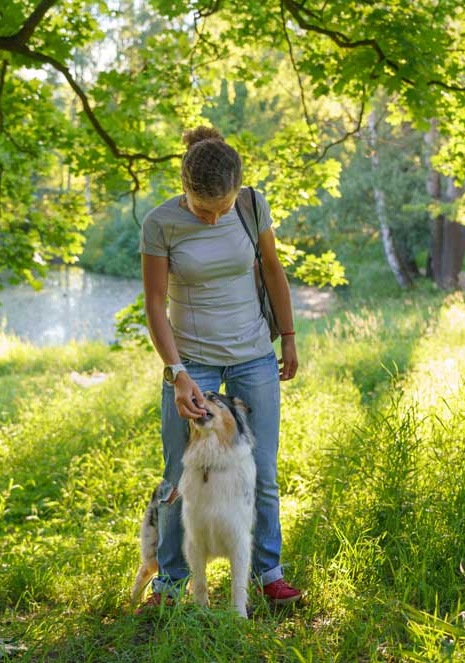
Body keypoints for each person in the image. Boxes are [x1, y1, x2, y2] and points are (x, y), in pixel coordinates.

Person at [140, 125, 300, 608]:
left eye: (223, 209)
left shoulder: (252, 205)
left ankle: (267, 571)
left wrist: (289, 336)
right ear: (184, 190)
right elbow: (152, 301)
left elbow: (273, 269)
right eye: (203, 210)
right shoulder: (160, 222)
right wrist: (177, 371)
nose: (214, 220)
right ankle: (171, 581)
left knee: (262, 469)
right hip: (193, 362)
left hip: (253, 353)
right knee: (177, 471)